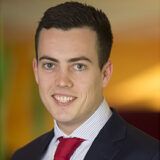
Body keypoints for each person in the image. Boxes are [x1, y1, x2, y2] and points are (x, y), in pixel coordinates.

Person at [12, 1, 159, 160]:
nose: (62, 81)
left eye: (78, 66)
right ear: (36, 71)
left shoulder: (150, 155)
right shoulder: (23, 156)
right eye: (49, 65)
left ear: (105, 74)